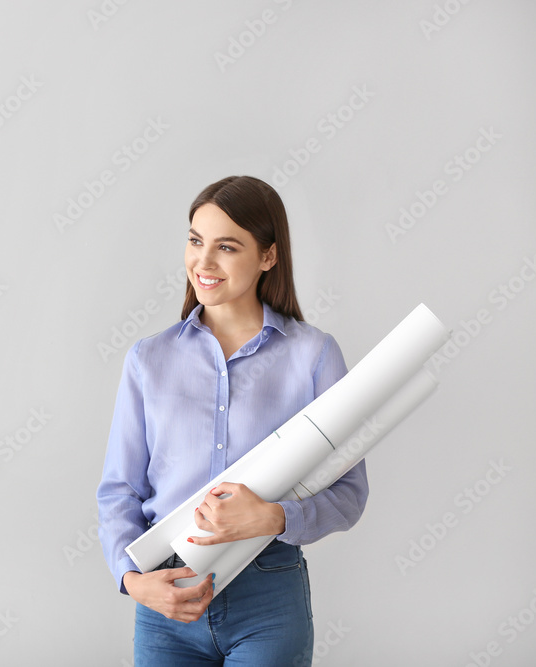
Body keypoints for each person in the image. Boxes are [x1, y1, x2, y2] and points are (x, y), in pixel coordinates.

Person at [96, 175, 369, 666]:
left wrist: (274, 516)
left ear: (268, 256)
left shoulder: (313, 355)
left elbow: (350, 491)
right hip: (167, 598)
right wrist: (133, 582)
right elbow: (120, 490)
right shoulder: (148, 359)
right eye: (196, 241)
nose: (203, 262)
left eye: (227, 247)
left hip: (268, 597)